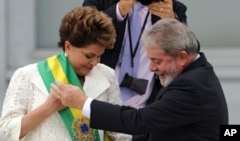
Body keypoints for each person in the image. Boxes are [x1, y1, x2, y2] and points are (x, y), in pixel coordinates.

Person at [51, 18, 229, 141]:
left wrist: (83, 102)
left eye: (156, 61)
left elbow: (139, 121)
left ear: (182, 57)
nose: (151, 68)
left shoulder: (191, 86)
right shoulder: (194, 74)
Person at [0, 6, 129, 141]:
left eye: (99, 56)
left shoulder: (107, 75)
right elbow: (7, 131)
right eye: (89, 56)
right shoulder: (28, 75)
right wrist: (49, 107)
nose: (95, 62)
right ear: (68, 46)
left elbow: (120, 133)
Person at [83, 0, 187, 108]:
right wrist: (117, 11)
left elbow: (190, 52)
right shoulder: (101, 2)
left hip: (144, 109)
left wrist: (173, 24)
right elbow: (82, 36)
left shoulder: (172, 7)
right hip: (99, 101)